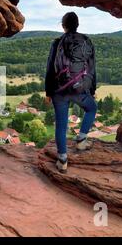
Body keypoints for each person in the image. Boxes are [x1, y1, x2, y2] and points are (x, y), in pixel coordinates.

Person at [45, 12, 97, 173]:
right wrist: (92, 89)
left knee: (61, 125)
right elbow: (92, 67)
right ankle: (81, 139)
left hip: (59, 90)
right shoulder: (86, 41)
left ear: (63, 25)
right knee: (92, 108)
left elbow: (50, 67)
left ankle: (62, 161)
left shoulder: (57, 42)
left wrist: (48, 91)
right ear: (78, 25)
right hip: (79, 88)